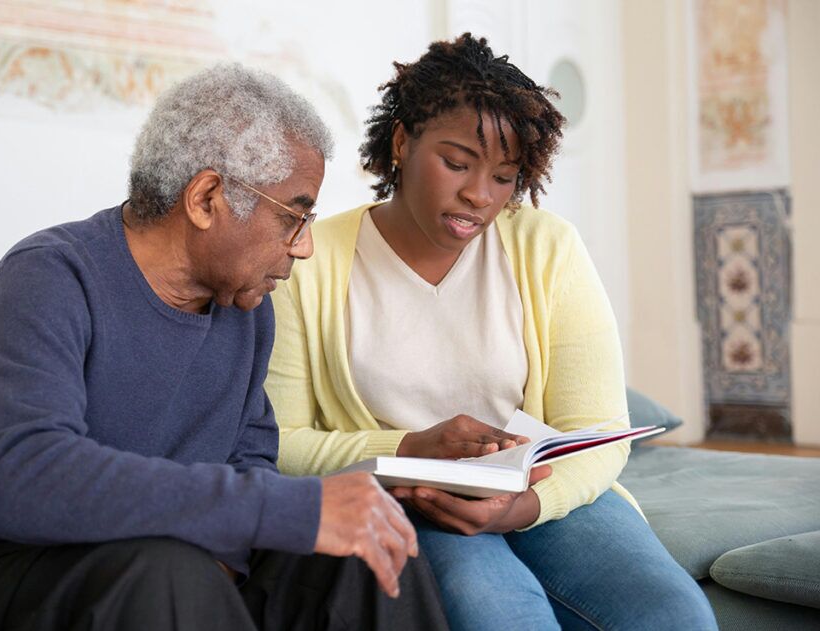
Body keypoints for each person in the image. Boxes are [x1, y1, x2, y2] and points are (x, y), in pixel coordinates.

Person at [0, 64, 449, 631]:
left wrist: (236, 550)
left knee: (373, 549)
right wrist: (283, 511)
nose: (303, 249)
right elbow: (24, 480)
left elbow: (248, 460)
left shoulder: (245, 310)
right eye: (293, 218)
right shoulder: (49, 277)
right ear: (206, 199)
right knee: (171, 572)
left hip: (158, 568)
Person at [266, 35, 718, 631]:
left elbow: (600, 432)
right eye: (456, 163)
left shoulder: (546, 248)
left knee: (676, 616)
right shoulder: (308, 260)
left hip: (543, 492)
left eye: (504, 177)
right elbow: (280, 442)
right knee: (499, 615)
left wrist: (527, 505)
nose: (479, 196)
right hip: (413, 500)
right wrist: (407, 449)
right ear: (402, 141)